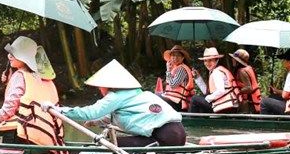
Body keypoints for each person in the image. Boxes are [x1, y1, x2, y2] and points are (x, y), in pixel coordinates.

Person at [58, 59, 186, 147]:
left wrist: (59, 110)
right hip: (180, 135)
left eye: (100, 85)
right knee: (114, 142)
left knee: (107, 145)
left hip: (164, 137)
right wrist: (95, 122)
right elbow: (116, 116)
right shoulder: (137, 94)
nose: (98, 88)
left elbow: (89, 113)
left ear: (109, 85)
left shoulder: (114, 97)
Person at [0, 35, 64, 149]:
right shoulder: (42, 77)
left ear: (25, 58)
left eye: (14, 54)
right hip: (47, 135)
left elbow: (9, 108)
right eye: (10, 53)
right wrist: (9, 81)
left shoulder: (19, 76)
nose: (9, 56)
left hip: (25, 135)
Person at [189, 47, 242, 113]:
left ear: (216, 60)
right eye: (205, 61)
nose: (207, 63)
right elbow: (207, 92)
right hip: (226, 104)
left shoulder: (217, 72)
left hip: (226, 106)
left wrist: (208, 98)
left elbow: (221, 90)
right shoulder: (216, 71)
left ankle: (190, 122)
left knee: (194, 99)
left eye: (210, 60)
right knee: (201, 99)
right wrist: (198, 77)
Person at [159, 45, 194, 111]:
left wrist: (168, 70)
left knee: (156, 98)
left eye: (178, 56)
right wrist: (169, 69)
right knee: (153, 95)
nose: (175, 58)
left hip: (179, 102)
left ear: (183, 57)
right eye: (173, 55)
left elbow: (173, 85)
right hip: (172, 98)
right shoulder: (174, 68)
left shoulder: (182, 69)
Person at [229, 49, 262, 113]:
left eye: (234, 59)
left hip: (248, 103)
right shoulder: (249, 68)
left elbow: (249, 88)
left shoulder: (242, 71)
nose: (232, 60)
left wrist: (236, 91)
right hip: (252, 102)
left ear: (238, 61)